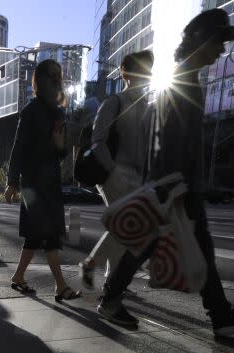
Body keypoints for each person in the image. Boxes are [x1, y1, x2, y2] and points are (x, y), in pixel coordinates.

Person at [98, 9, 234, 337]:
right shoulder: (182, 82)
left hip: (173, 183)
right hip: (178, 184)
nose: (221, 49)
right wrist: (175, 185)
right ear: (199, 40)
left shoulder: (181, 78)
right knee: (179, 245)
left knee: (155, 243)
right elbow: (170, 139)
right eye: (218, 41)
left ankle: (217, 314)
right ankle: (219, 315)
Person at [4, 59, 81, 302]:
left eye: (59, 76)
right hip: (31, 183)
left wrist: (60, 146)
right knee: (48, 234)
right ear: (41, 79)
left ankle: (18, 276)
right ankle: (60, 286)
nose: (57, 80)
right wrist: (12, 181)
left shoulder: (58, 112)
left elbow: (59, 152)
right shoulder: (30, 111)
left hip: (50, 182)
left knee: (36, 236)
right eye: (52, 76)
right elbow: (18, 147)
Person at [80, 50, 154, 290]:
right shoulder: (115, 102)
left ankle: (98, 271)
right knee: (128, 226)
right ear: (126, 74)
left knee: (124, 228)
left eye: (147, 71)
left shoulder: (147, 107)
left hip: (136, 177)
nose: (144, 75)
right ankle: (107, 279)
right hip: (113, 174)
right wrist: (112, 170)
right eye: (140, 70)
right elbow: (98, 139)